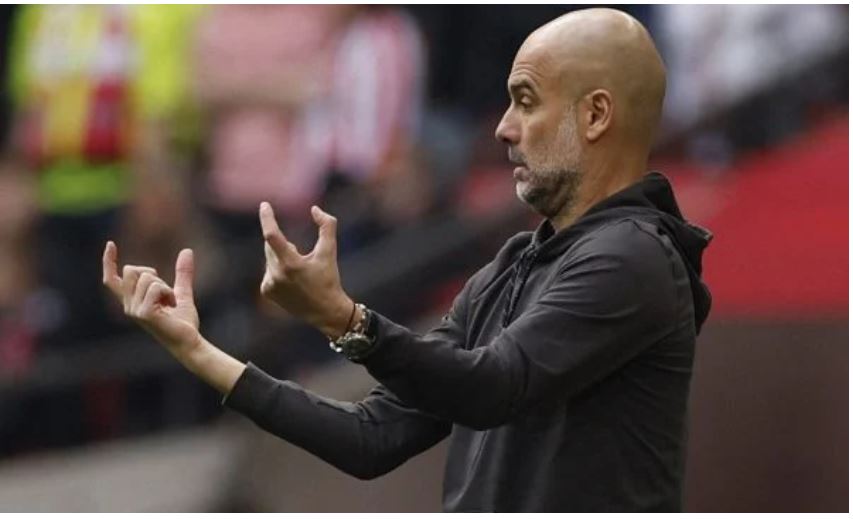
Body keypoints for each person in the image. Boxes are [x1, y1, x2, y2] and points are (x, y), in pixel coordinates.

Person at [102, 8, 712, 512]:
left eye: (526, 102)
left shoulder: (631, 255)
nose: (504, 128)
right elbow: (373, 437)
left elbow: (494, 387)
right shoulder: (512, 265)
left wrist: (344, 318)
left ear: (596, 115)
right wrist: (200, 352)